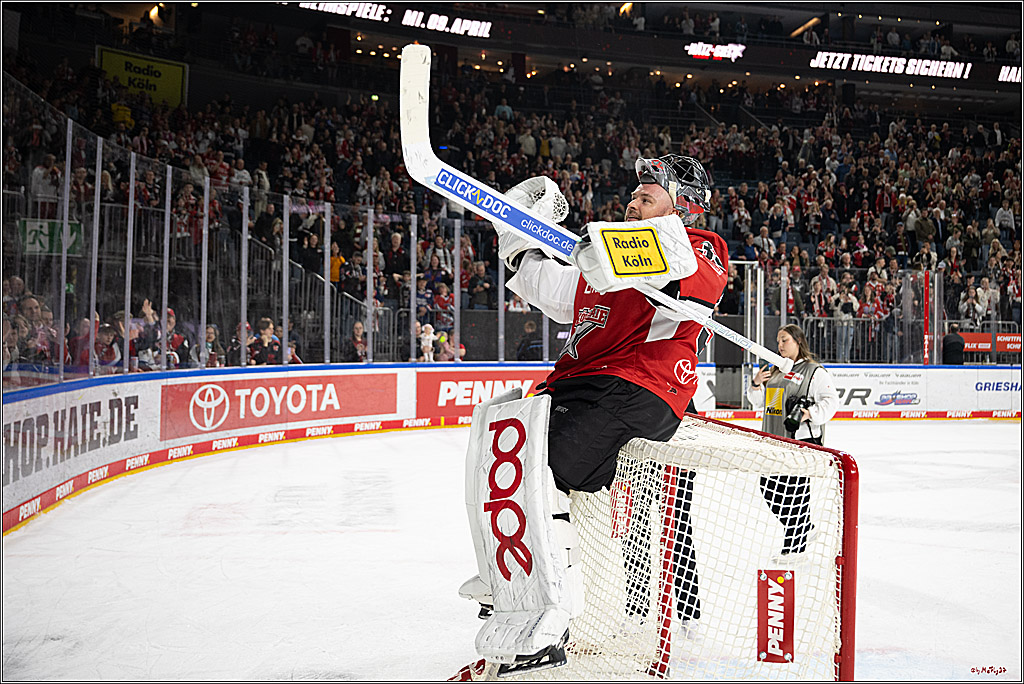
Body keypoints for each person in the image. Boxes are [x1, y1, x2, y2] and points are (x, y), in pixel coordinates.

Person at [470, 154, 729, 665]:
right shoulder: (597, 264)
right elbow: (551, 287)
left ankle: (547, 616)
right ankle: (510, 577)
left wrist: (609, 249)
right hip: (578, 384)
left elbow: (688, 275)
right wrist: (518, 240)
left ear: (685, 207)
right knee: (502, 460)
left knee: (551, 470)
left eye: (647, 196)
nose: (633, 201)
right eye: (633, 196)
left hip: (642, 386)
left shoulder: (701, 247)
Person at [746, 324, 840, 559]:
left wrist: (809, 414)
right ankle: (804, 528)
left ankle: (795, 547)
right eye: (778, 340)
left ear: (798, 342)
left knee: (795, 493)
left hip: (799, 441)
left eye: (785, 340)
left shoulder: (814, 371)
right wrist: (756, 383)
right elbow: (759, 402)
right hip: (773, 438)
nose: (780, 345)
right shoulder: (774, 369)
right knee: (768, 487)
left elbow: (831, 401)